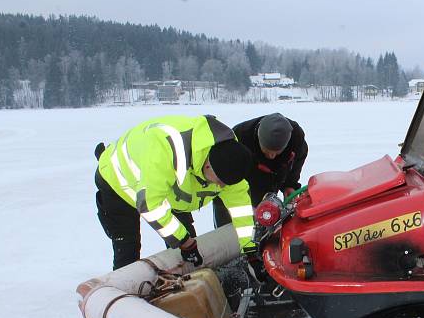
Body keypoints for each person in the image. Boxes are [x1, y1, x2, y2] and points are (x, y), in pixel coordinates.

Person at [95, 114, 255, 270]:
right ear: (207, 166)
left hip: (170, 191)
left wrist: (250, 249)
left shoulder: (230, 160)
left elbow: (241, 210)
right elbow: (150, 205)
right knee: (128, 247)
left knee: (189, 252)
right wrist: (184, 242)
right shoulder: (167, 150)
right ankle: (123, 289)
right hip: (117, 181)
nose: (220, 187)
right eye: (219, 182)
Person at [213, 113, 308, 227]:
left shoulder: (296, 138)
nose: (271, 156)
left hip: (268, 190)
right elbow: (225, 179)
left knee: (266, 226)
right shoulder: (239, 137)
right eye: (267, 151)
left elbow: (298, 159)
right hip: (234, 194)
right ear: (258, 138)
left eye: (277, 152)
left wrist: (289, 184)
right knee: (231, 233)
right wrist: (246, 205)